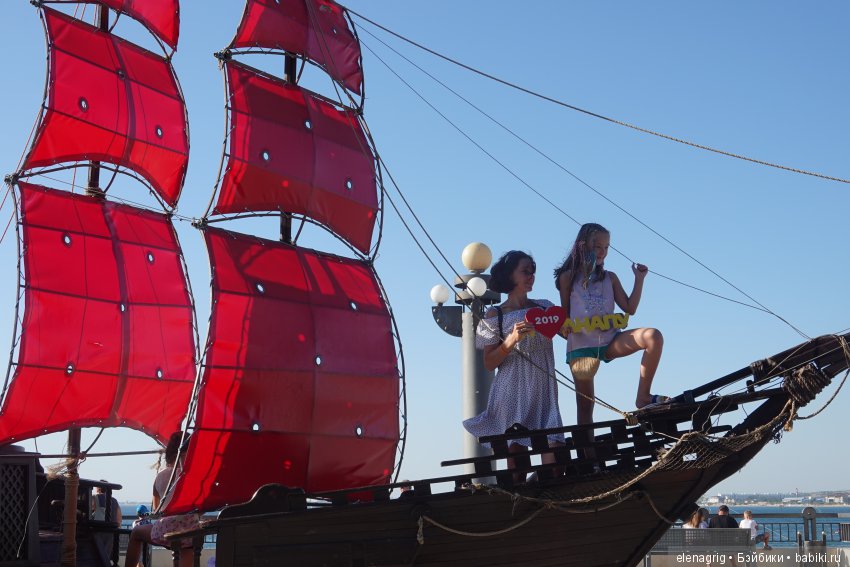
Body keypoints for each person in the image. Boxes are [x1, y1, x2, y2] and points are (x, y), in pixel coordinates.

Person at [463, 250, 565, 481]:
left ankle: (547, 498)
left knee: (557, 460)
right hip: (512, 392)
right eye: (525, 271)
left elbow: (569, 332)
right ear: (510, 275)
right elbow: (489, 363)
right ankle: (523, 503)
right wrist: (510, 340)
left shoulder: (545, 307)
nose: (531, 276)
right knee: (517, 460)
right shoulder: (495, 313)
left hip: (544, 391)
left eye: (533, 272)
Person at [554, 223, 665, 430]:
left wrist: (639, 279)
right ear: (582, 245)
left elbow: (630, 308)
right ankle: (589, 459)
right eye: (597, 246)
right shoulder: (567, 277)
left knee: (653, 336)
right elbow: (564, 315)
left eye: (606, 247)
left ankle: (643, 396)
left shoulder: (610, 277)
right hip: (582, 347)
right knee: (586, 407)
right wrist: (564, 328)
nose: (602, 252)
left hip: (610, 340)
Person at [124, 432, 198, 567]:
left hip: (165, 530)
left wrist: (144, 517)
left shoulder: (160, 476)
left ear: (168, 455)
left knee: (136, 533)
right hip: (189, 531)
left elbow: (157, 510)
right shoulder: (193, 477)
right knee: (188, 547)